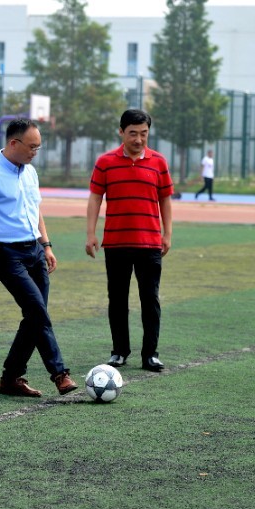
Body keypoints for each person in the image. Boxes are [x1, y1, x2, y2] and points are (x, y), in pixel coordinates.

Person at [0, 118, 77, 398]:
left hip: (34, 250)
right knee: (38, 312)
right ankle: (60, 374)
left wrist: (46, 245)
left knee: (34, 315)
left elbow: (34, 208)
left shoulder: (29, 172)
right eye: (31, 147)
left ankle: (11, 379)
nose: (35, 152)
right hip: (5, 253)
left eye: (38, 147)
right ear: (13, 143)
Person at [86, 108, 174, 372]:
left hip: (149, 244)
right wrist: (90, 233)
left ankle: (151, 354)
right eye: (133, 133)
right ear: (121, 132)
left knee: (150, 299)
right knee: (118, 300)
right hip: (115, 243)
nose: (138, 139)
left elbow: (165, 199)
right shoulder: (105, 162)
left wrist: (167, 233)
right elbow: (94, 198)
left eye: (143, 133)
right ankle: (119, 351)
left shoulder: (158, 162)